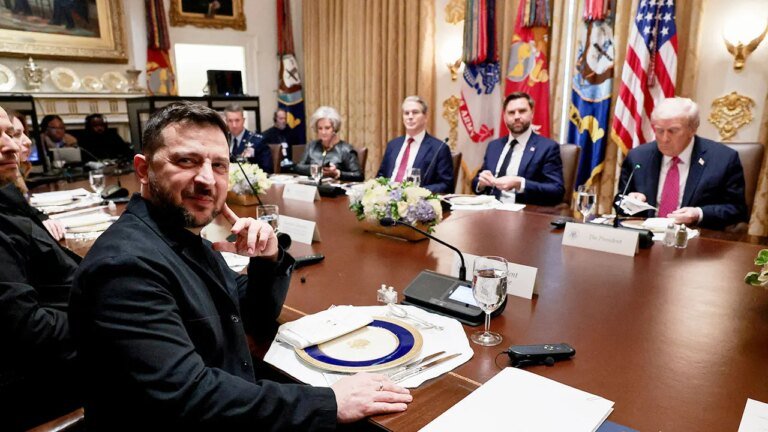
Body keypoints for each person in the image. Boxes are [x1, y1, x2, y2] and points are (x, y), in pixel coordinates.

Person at [68, 102, 411, 431]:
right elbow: (190, 398)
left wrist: (267, 259)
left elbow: (250, 314)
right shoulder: (124, 267)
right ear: (144, 170)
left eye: (219, 165)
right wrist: (329, 403)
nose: (207, 179)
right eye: (186, 160)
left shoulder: (181, 236)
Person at [0, 105, 82, 431]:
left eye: (9, 133)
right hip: (47, 388)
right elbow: (30, 329)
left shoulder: (5, 200)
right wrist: (106, 312)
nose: (11, 145)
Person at [617, 97, 748, 230]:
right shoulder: (638, 157)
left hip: (695, 236)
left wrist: (698, 214)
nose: (664, 138)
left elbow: (737, 210)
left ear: (692, 129)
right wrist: (630, 202)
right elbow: (619, 202)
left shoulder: (723, 159)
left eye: (673, 131)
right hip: (645, 235)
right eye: (659, 130)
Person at [472, 92, 565, 205]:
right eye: (511, 112)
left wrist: (520, 183)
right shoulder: (494, 146)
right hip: (490, 209)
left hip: (523, 211)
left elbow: (557, 191)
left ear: (532, 114)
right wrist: (481, 183)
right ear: (504, 116)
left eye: (522, 111)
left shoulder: (547, 148)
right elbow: (476, 181)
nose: (516, 117)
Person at [377, 96, 454, 193]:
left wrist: (417, 192)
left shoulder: (439, 148)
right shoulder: (393, 145)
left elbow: (446, 184)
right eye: (406, 113)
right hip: (387, 198)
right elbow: (381, 176)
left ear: (425, 117)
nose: (410, 117)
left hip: (417, 200)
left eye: (415, 112)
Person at [295, 106, 363, 181]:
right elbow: (298, 168)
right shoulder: (311, 146)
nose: (323, 132)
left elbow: (359, 175)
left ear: (334, 128)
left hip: (334, 187)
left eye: (327, 128)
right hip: (312, 186)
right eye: (320, 128)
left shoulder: (346, 149)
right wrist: (317, 169)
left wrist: (337, 173)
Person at [224, 103, 273, 173]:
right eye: (230, 121)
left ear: (243, 120)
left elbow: (267, 168)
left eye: (237, 120)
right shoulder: (223, 140)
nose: (234, 125)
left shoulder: (257, 141)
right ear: (226, 121)